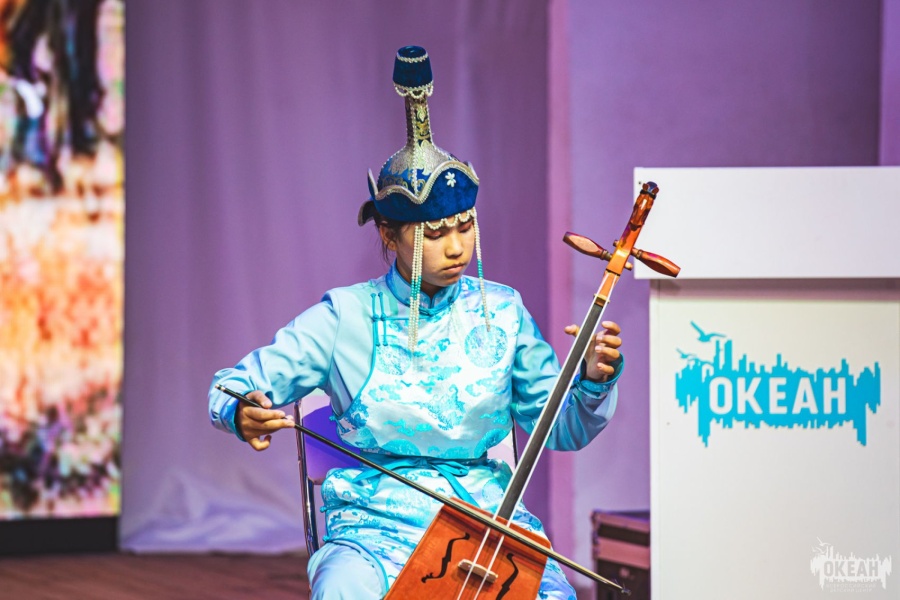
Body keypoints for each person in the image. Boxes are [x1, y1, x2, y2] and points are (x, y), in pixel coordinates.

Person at [208, 45, 624, 600]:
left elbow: (563, 427)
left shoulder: (504, 311)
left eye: (465, 227)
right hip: (374, 526)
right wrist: (243, 409)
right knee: (344, 591)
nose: (455, 247)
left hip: (486, 523)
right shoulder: (346, 316)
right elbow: (231, 385)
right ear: (389, 234)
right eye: (434, 233)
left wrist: (593, 378)